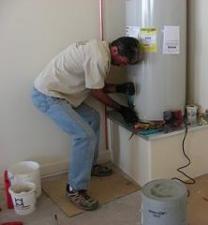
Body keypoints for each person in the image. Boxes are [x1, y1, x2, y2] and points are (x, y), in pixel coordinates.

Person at [31, 37, 140, 211]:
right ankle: (75, 189)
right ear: (115, 51)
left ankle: (89, 166)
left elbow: (94, 84)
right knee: (84, 135)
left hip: (63, 95)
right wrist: (121, 109)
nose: (125, 65)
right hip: (48, 95)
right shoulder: (99, 58)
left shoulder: (99, 51)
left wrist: (119, 88)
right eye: (125, 60)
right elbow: (96, 92)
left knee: (93, 118)